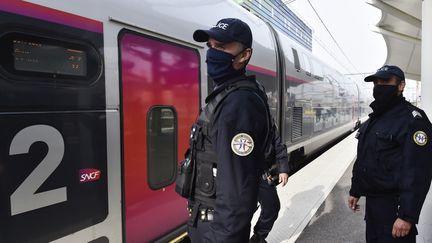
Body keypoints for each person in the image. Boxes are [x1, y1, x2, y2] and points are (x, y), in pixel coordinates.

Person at [185, 18, 273, 242]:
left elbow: (236, 191)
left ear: (244, 56)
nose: (212, 53)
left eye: (222, 47)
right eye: (211, 46)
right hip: (208, 222)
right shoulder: (226, 96)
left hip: (217, 230)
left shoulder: (238, 104)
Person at [348, 65, 432, 243]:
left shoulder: (413, 120)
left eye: (385, 81)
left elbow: (418, 172)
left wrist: (407, 216)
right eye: (376, 82)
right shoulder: (375, 119)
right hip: (373, 207)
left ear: (401, 86)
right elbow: (364, 157)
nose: (379, 86)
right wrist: (356, 190)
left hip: (395, 211)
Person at [250, 129, 290, 243]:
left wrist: (283, 169)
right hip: (240, 172)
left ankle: (258, 237)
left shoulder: (267, 118)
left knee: (272, 206)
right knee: (243, 210)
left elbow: (278, 144)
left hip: (262, 172)